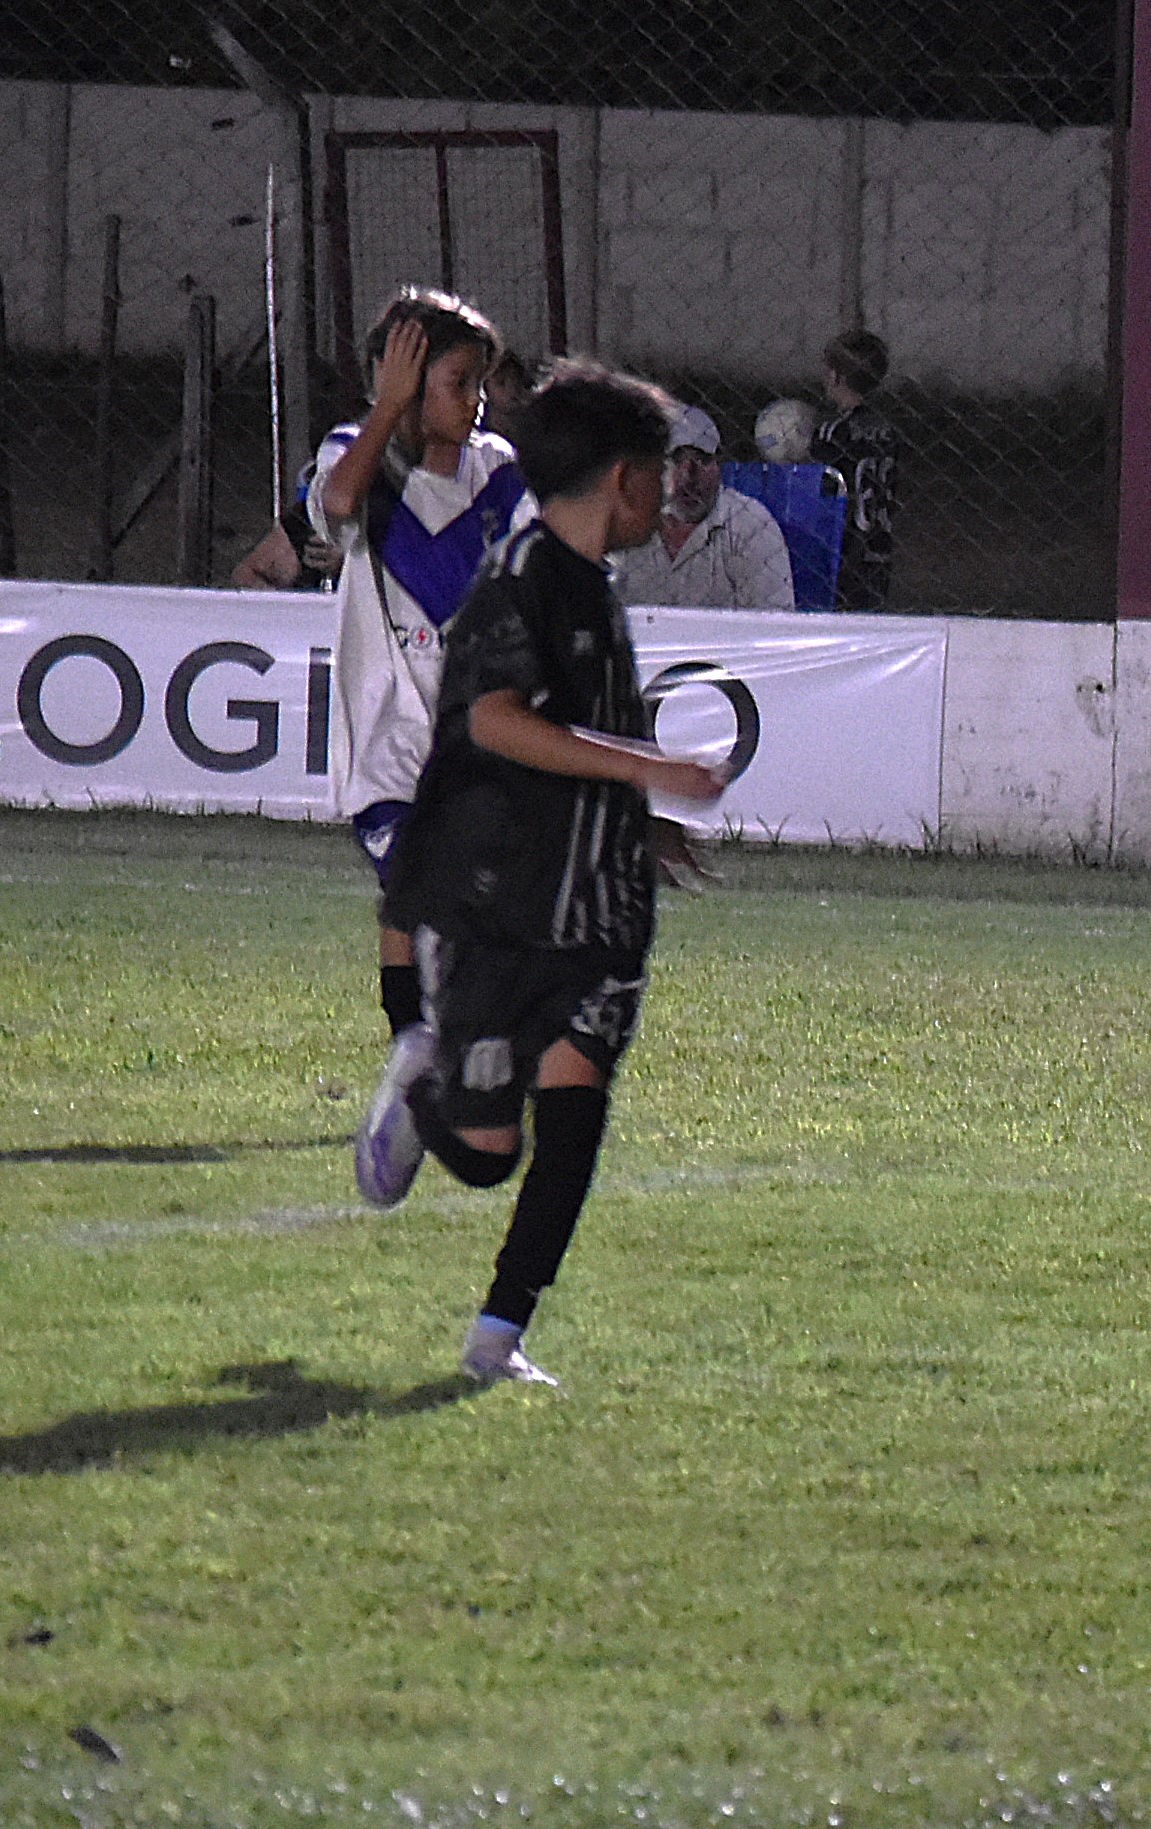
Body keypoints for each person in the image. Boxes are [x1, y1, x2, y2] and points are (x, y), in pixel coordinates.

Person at [363, 358, 727, 1388]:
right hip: (499, 907)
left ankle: (498, 1336)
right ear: (623, 478)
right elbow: (496, 722)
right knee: (488, 1154)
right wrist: (648, 769)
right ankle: (423, 1088)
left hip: (600, 915)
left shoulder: (599, 592)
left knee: (573, 1119)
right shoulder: (516, 581)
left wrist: (643, 826)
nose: (665, 491)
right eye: (657, 471)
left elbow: (589, 734)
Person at [315, 288, 531, 1209]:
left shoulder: (497, 470)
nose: (475, 401)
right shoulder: (356, 456)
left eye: (480, 383)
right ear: (403, 382)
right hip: (389, 753)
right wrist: (387, 412)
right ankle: (421, 1062)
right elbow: (336, 506)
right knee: (428, 900)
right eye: (456, 381)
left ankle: (420, 1059)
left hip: (482, 753)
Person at [610, 404, 796, 609]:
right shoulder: (623, 518)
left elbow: (775, 616)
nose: (687, 477)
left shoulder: (751, 524)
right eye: (675, 460)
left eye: (701, 460)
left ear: (719, 464)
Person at [810, 330, 899, 610]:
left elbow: (819, 487)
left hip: (843, 548)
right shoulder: (887, 431)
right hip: (878, 548)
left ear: (835, 377)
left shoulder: (833, 433)